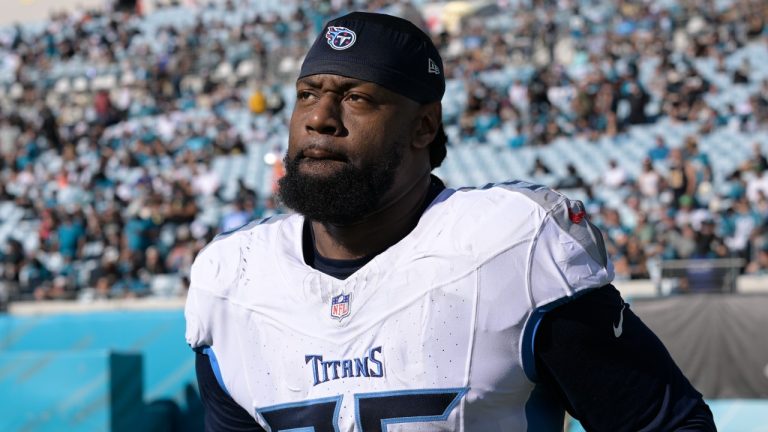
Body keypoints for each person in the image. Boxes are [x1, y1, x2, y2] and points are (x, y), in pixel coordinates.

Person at [185, 12, 715, 431]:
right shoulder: (234, 278)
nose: (320, 118)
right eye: (308, 94)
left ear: (423, 126)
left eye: (356, 98)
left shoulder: (512, 246)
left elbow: (666, 423)